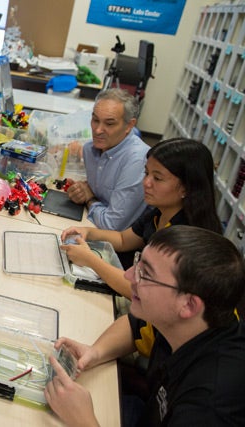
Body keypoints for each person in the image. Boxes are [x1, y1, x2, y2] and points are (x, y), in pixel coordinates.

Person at [44, 225, 245, 426]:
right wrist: (95, 352)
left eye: (145, 274)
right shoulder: (191, 322)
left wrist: (83, 421)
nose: (128, 276)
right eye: (137, 264)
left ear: (189, 304)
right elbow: (135, 325)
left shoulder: (208, 407)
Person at [61, 138, 222, 299]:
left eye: (157, 178)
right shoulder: (159, 212)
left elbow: (139, 291)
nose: (146, 182)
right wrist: (87, 232)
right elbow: (124, 239)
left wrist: (90, 260)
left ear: (186, 188)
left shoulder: (185, 238)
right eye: (146, 173)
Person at [66, 88, 150, 230]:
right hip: (93, 225)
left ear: (129, 125)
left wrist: (89, 199)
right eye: (95, 120)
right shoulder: (89, 150)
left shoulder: (137, 160)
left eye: (109, 124)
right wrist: (80, 192)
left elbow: (112, 225)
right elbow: (97, 194)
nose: (98, 130)